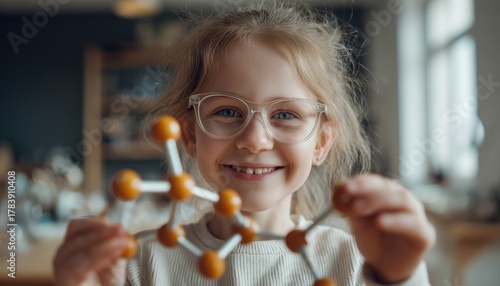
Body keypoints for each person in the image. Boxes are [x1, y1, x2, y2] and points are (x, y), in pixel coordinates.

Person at [53, 2, 435, 285]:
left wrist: (400, 278)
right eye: (227, 112)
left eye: (286, 114)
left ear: (320, 142)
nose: (254, 140)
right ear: (188, 135)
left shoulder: (356, 264)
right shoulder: (136, 265)